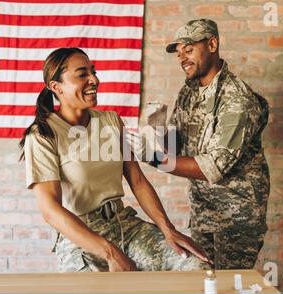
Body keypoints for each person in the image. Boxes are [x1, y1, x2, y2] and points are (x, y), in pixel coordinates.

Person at [19, 47, 211, 272]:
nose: (94, 80)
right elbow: (50, 209)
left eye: (93, 72)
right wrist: (110, 253)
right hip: (80, 238)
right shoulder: (43, 134)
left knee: (197, 267)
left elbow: (138, 182)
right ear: (56, 87)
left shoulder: (110, 121)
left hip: (125, 227)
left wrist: (168, 229)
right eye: (82, 74)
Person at [129, 19, 270, 270]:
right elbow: (177, 149)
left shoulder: (236, 99)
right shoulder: (189, 92)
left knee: (229, 285)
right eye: (179, 52)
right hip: (203, 212)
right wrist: (158, 131)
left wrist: (153, 158)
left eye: (189, 49)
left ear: (212, 44)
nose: (182, 57)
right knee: (203, 281)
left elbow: (211, 167)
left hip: (237, 217)